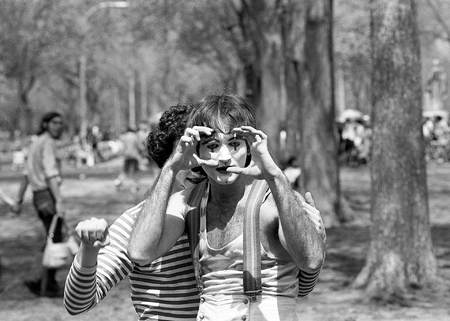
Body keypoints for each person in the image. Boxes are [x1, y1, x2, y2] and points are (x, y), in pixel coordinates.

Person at [128, 94, 326, 321]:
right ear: (197, 151)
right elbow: (140, 252)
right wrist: (172, 166)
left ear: (249, 147)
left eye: (234, 144)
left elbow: (311, 260)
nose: (224, 157)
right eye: (212, 146)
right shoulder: (189, 201)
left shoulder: (273, 199)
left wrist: (276, 177)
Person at [64, 105, 201, 320]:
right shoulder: (134, 223)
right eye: (186, 149)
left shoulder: (223, 212)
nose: (198, 160)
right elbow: (77, 303)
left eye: (205, 147)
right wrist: (88, 249)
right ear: (168, 156)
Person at [14, 111, 65, 297]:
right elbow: (51, 173)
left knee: (51, 238)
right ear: (45, 124)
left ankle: (42, 281)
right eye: (54, 123)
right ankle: (45, 284)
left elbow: (26, 175)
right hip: (47, 196)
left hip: (38, 197)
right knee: (54, 240)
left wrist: (19, 200)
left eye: (60, 123)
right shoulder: (47, 143)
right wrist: (58, 200)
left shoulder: (35, 143)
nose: (58, 126)